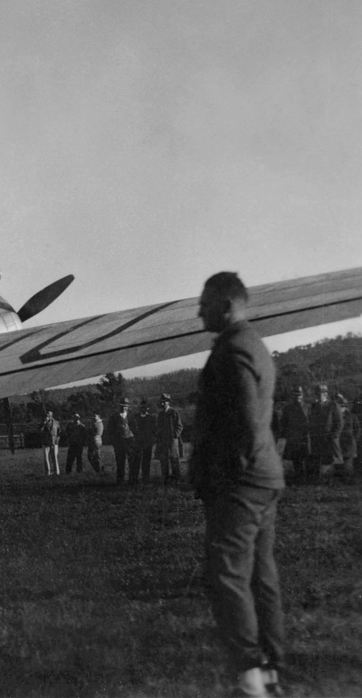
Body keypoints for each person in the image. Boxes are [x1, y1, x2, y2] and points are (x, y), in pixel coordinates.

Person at [190, 271, 285, 697]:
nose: (199, 311)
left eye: (205, 304)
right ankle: (270, 671)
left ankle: (250, 676)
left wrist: (223, 477)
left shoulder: (232, 350)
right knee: (261, 577)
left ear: (226, 306)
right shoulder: (255, 344)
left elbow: (246, 424)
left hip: (242, 483)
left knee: (226, 574)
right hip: (265, 477)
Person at [307, 384, 343, 484]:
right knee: (318, 460)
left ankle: (332, 482)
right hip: (317, 438)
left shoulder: (333, 405)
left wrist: (334, 436)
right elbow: (310, 420)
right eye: (317, 393)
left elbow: (339, 423)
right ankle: (320, 480)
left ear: (325, 394)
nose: (318, 396)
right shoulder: (314, 406)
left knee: (330, 460)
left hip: (329, 438)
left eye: (321, 393)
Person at [280, 387, 312, 482]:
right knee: (295, 458)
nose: (298, 397)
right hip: (293, 437)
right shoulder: (287, 408)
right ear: (292, 396)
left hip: (305, 437)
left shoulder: (308, 407)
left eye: (299, 395)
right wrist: (286, 434)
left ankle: (308, 478)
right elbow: (283, 423)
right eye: (295, 395)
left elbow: (312, 421)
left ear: (302, 396)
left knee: (306, 457)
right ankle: (298, 477)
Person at [155, 394, 184, 485]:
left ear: (168, 402)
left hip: (172, 440)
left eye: (165, 401)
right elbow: (158, 427)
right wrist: (158, 435)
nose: (163, 403)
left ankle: (176, 479)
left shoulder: (174, 412)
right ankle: (166, 479)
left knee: (174, 459)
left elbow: (179, 426)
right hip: (163, 440)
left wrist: (174, 435)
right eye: (162, 402)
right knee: (164, 460)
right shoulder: (161, 414)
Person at [106, 399, 135, 484]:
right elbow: (110, 431)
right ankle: (120, 481)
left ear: (127, 407)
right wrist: (114, 441)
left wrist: (133, 439)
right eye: (121, 406)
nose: (123, 408)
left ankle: (132, 480)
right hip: (119, 442)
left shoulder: (131, 416)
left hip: (129, 441)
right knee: (120, 462)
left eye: (125, 406)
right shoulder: (113, 417)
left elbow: (135, 428)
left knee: (132, 461)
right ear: (119, 407)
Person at [135, 399, 157, 484]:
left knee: (146, 462)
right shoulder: (136, 417)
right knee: (136, 461)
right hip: (137, 443)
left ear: (148, 408)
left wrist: (152, 441)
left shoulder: (151, 418)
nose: (143, 409)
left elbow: (155, 431)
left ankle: (145, 479)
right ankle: (134, 479)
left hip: (148, 443)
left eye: (145, 407)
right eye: (141, 407)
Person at [39, 410, 61, 476]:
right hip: (46, 443)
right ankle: (47, 472)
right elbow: (40, 431)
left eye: (48, 415)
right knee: (46, 458)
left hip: (54, 442)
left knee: (54, 457)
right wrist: (44, 424)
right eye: (46, 415)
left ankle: (56, 472)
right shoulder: (42, 423)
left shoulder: (56, 422)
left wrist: (57, 440)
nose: (47, 416)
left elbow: (59, 432)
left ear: (51, 415)